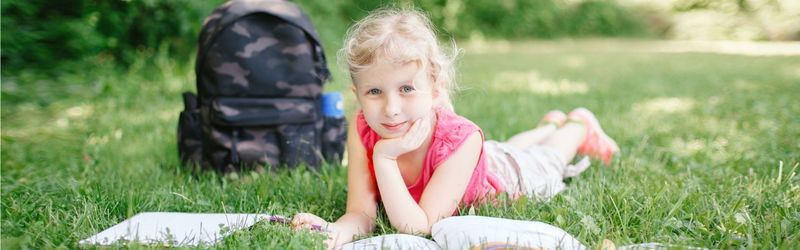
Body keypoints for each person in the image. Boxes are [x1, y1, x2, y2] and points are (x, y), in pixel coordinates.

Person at [292, 8, 619, 248]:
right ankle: (548, 123)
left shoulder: (461, 139)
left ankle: (576, 123)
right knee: (506, 146)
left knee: (545, 161)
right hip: (481, 158)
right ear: (357, 95)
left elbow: (416, 229)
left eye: (406, 89)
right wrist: (334, 231)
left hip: (509, 174)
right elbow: (361, 214)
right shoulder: (362, 126)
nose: (391, 109)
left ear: (435, 89)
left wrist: (385, 159)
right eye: (374, 92)